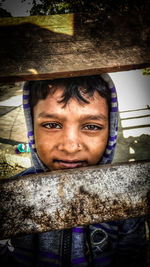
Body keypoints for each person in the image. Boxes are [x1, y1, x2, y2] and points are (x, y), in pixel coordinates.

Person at [0, 74, 148, 266]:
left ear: (110, 132)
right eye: (52, 125)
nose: (70, 147)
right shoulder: (12, 197)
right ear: (31, 127)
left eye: (91, 126)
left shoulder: (126, 202)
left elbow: (132, 259)